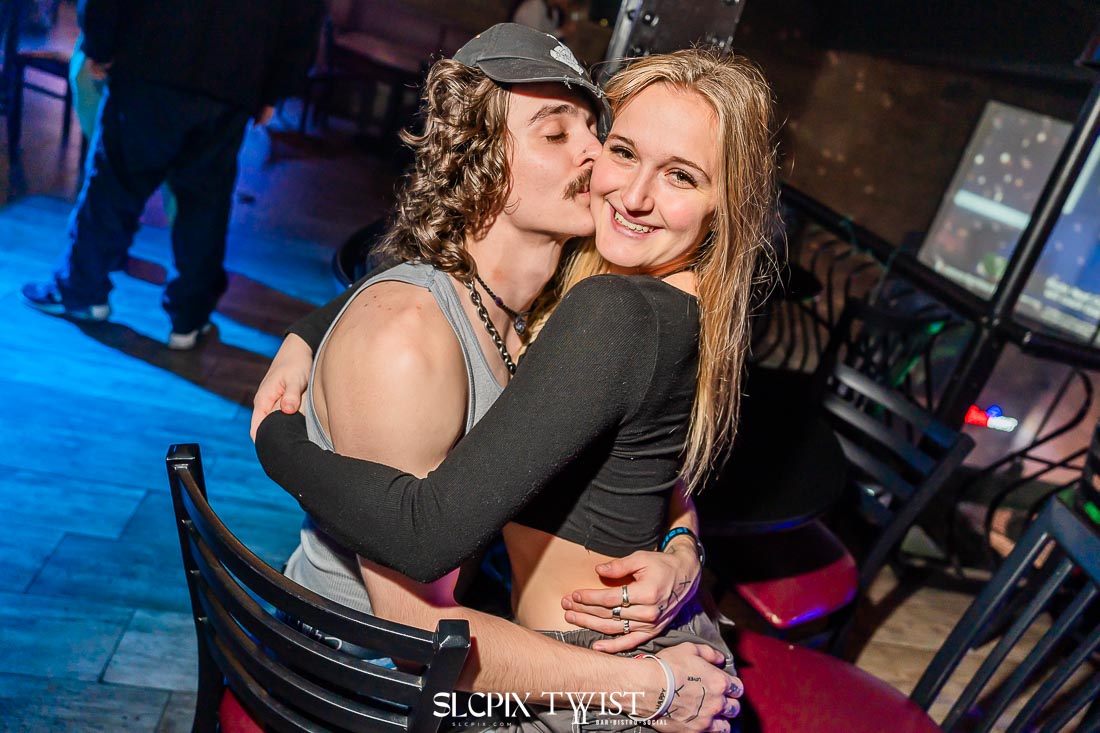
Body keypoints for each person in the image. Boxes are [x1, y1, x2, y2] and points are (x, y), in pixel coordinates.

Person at [256, 46, 777, 730]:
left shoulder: (614, 310)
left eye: (681, 175)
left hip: (605, 687)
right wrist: (308, 333)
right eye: (620, 149)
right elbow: (653, 474)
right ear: (481, 165)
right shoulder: (623, 294)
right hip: (599, 668)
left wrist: (278, 442)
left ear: (725, 203)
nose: (624, 185)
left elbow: (420, 546)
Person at [21, 0, 323, 350]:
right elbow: (302, 17)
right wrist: (274, 89)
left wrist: (99, 45)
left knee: (114, 186)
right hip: (233, 78)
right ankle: (189, 320)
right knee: (205, 204)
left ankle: (82, 292)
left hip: (149, 59)